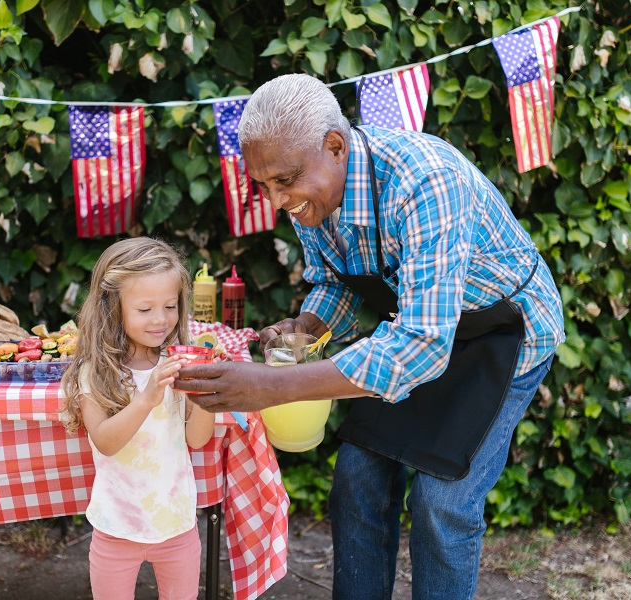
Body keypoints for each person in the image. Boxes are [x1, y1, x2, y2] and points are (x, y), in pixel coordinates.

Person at [175, 74, 565, 599]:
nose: (276, 201)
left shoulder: (426, 182)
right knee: (356, 481)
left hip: (503, 332)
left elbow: (424, 347)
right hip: (411, 329)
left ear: (334, 146)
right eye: (262, 186)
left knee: (441, 503)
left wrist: (275, 386)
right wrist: (308, 326)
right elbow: (335, 279)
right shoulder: (309, 191)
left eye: (284, 181)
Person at [60, 237, 215, 600]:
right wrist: (146, 398)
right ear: (113, 308)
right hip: (116, 527)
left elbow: (197, 439)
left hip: (176, 524)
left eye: (170, 306)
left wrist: (207, 393)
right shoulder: (96, 372)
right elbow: (106, 441)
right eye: (145, 309)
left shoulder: (176, 364)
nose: (161, 319)